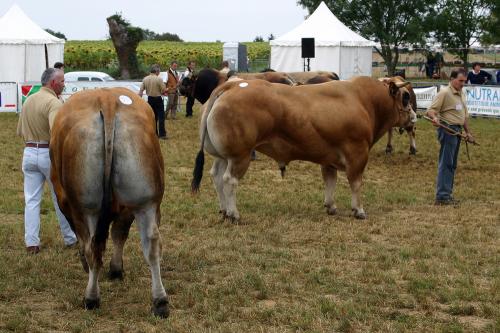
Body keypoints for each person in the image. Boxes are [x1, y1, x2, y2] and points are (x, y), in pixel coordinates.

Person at [16, 68, 77, 254]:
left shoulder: (29, 100)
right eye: (62, 81)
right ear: (53, 83)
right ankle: (70, 238)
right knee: (60, 197)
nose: (64, 84)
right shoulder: (54, 103)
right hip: (47, 154)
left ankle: (31, 242)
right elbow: (56, 134)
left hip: (28, 151)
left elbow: (19, 131)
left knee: (31, 200)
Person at [426, 68, 474, 206]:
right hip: (448, 131)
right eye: (460, 81)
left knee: (451, 164)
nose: (463, 83)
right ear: (452, 79)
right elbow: (431, 110)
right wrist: (435, 118)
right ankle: (442, 196)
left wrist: (468, 132)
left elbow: (464, 116)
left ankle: (447, 194)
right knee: (446, 163)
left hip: (457, 131)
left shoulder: (461, 93)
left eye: (465, 81)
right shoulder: (445, 93)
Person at [139, 64, 167, 139]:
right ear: (157, 71)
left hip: (150, 99)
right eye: (159, 71)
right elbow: (164, 90)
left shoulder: (145, 79)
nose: (159, 73)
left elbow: (141, 91)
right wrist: (166, 90)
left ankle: (155, 133)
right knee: (161, 117)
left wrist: (139, 100)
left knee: (153, 117)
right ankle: (162, 134)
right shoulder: (159, 79)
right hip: (158, 99)